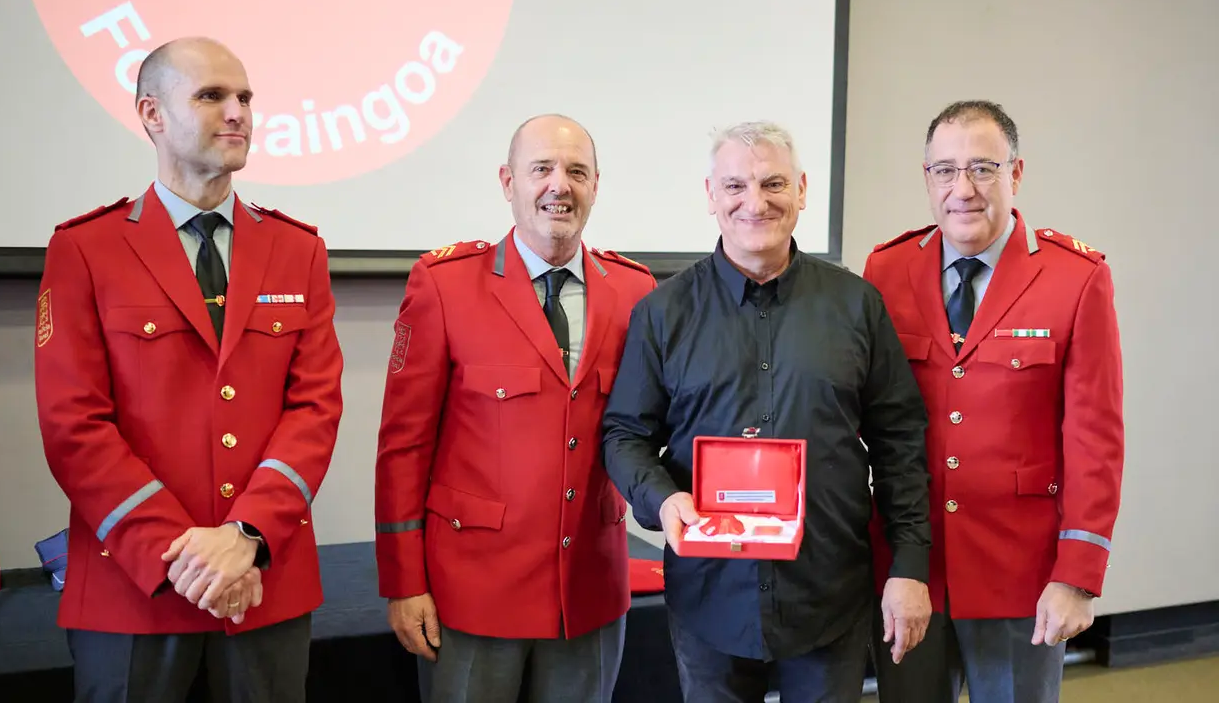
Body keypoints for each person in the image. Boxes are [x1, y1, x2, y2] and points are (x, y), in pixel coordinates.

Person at [33, 36, 344, 702]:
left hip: (263, 579)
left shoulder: (298, 250)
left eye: (245, 98)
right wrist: (192, 558)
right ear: (151, 113)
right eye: (210, 96)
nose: (238, 113)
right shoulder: (86, 249)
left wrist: (248, 535)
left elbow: (315, 410)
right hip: (132, 589)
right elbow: (73, 426)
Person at [600, 120, 934, 703]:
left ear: (802, 190)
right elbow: (624, 435)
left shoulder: (856, 305)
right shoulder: (663, 313)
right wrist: (662, 499)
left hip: (829, 591)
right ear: (710, 196)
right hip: (709, 597)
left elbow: (900, 440)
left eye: (773, 183)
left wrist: (909, 563)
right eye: (735, 186)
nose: (755, 202)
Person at [373, 114, 657, 703]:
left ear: (596, 185)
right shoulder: (445, 284)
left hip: (590, 592)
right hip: (474, 594)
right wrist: (404, 583)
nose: (560, 185)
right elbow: (403, 447)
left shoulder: (636, 291)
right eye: (541, 170)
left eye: (577, 172)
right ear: (508, 181)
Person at [862, 100, 1125, 702]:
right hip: (911, 568)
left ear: (1017, 173)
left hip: (1021, 575)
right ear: (927, 179)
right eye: (946, 170)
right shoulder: (888, 268)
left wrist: (1078, 576)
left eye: (983, 168)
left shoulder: (1074, 278)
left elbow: (1096, 439)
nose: (964, 189)